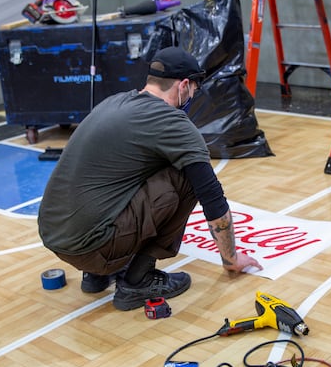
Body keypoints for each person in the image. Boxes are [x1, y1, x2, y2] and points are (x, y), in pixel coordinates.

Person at [38, 46, 263, 311]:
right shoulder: (173, 123)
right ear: (184, 86)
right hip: (91, 247)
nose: (193, 95)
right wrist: (231, 259)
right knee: (186, 177)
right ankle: (138, 280)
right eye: (194, 89)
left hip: (55, 236)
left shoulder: (115, 101)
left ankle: (97, 276)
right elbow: (213, 200)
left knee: (130, 172)